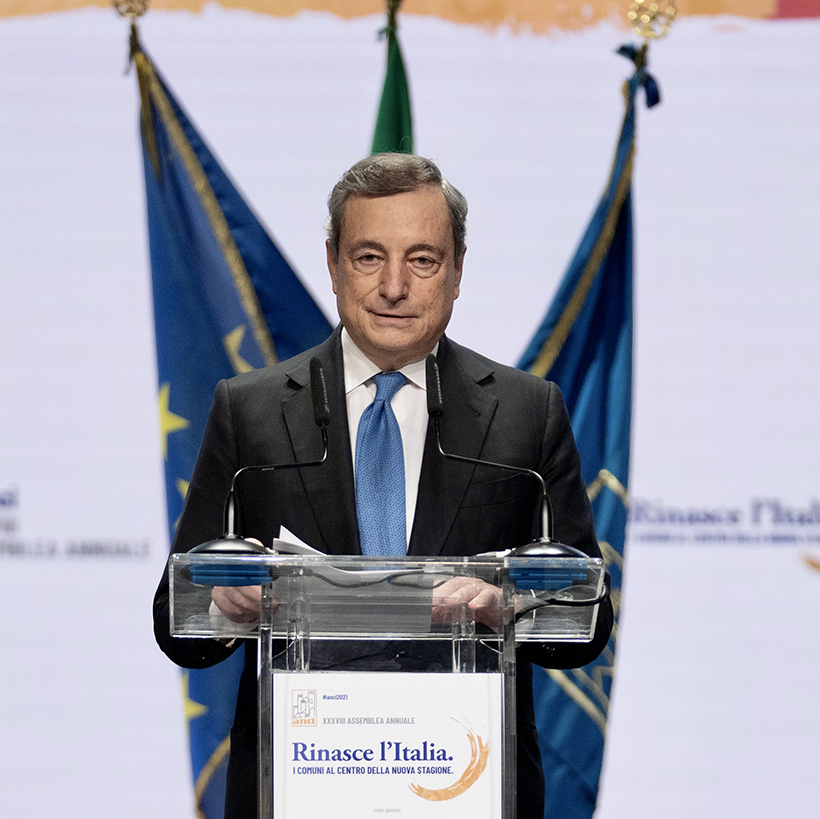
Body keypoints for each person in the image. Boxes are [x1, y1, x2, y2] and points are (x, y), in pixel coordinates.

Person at [153, 153, 612, 819]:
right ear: (333, 264)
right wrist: (227, 603)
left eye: (422, 260)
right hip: (298, 784)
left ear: (457, 272)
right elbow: (176, 618)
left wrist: (510, 602)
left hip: (467, 785)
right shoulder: (250, 411)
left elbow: (587, 618)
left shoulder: (525, 413)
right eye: (369, 257)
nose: (394, 286)